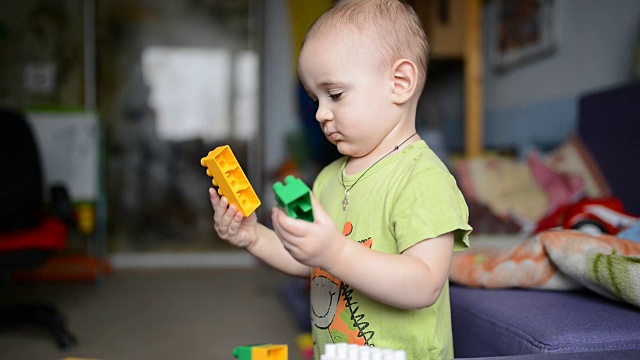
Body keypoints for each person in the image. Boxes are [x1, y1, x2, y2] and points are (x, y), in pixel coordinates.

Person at [209, 0, 472, 358]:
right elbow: (311, 261)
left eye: (334, 94)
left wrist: (337, 252)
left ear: (400, 83)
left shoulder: (423, 179)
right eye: (315, 98)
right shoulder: (328, 179)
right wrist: (252, 236)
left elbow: (424, 284)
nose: (320, 113)